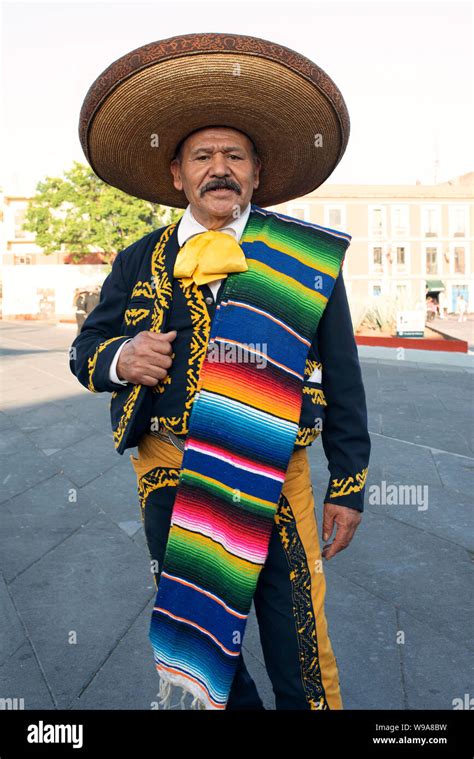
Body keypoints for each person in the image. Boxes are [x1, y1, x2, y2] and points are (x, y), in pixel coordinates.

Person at [69, 32, 371, 711]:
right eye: (202, 155)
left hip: (275, 473)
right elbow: (84, 351)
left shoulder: (303, 255)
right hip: (167, 470)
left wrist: (348, 486)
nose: (219, 167)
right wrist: (122, 357)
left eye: (235, 155)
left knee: (298, 641)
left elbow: (346, 378)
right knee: (196, 638)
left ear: (257, 172)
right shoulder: (135, 258)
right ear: (176, 174)